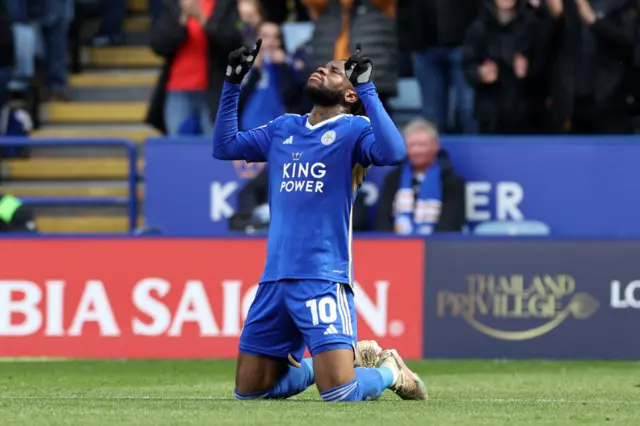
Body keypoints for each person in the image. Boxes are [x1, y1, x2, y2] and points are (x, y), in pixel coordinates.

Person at [213, 40, 428, 402]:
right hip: (274, 278)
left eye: (334, 71)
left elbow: (394, 152)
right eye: (322, 66)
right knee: (250, 393)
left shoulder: (354, 129)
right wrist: (232, 83)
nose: (322, 70)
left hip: (322, 276)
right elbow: (225, 146)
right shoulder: (284, 128)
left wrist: (367, 88)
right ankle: (335, 363)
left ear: (348, 96)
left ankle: (390, 370)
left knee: (341, 393)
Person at [146, 0, 243, 135]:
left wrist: (202, 18)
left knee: (214, 147)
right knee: (178, 147)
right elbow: (158, 45)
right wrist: (182, 20)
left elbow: (233, 41)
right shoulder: (174, 4)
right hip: (178, 88)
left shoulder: (226, 4)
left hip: (215, 90)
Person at [545, 0, 639, 134]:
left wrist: (595, 21)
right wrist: (557, 19)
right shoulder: (565, 5)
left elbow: (628, 43)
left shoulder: (623, 4)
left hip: (611, 103)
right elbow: (548, 51)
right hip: (570, 104)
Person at [462, 0, 548, 134]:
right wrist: (480, 73)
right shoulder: (479, 26)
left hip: (527, 111)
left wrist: (528, 71)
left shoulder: (533, 24)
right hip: (491, 113)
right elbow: (467, 64)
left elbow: (546, 65)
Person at [398, 0, 482, 133]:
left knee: (468, 109)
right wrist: (410, 39)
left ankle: (475, 152)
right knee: (432, 114)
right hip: (423, 45)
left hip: (465, 44)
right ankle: (434, 153)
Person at [376, 118, 465, 234]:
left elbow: (450, 223)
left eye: (422, 145)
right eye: (411, 145)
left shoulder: (452, 181)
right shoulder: (393, 179)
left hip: (437, 247)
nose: (417, 151)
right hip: (395, 247)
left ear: (435, 146)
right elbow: (382, 222)